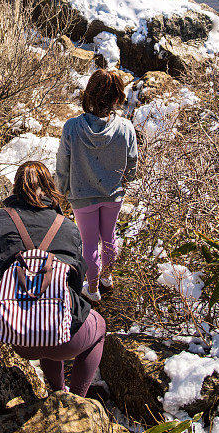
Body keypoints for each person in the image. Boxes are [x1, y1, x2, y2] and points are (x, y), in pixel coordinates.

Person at [0, 160, 105, 398]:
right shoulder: (68, 229)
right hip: (62, 338)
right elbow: (73, 292)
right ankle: (76, 400)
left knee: (39, 316)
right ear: (50, 188)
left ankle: (56, 391)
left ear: (16, 188)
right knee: (98, 326)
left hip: (18, 336)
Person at [56, 69, 138, 303]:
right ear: (116, 98)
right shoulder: (125, 128)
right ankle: (106, 278)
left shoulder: (72, 127)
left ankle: (92, 290)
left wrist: (60, 192)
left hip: (82, 197)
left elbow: (63, 164)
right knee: (109, 238)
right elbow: (132, 162)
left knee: (89, 243)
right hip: (113, 194)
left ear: (89, 94)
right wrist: (125, 181)